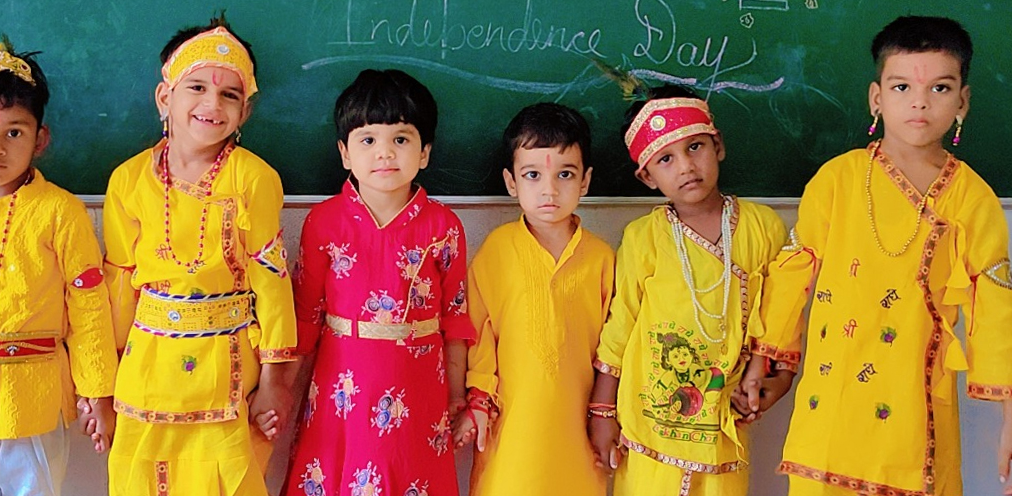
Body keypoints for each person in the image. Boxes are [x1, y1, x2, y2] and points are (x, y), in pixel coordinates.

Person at [743, 15, 1012, 496]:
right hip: (831, 407)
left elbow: (997, 310)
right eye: (902, 86)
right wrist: (767, 362)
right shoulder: (838, 180)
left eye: (940, 88)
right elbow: (791, 274)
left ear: (963, 102)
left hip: (915, 412)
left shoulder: (973, 199)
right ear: (876, 97)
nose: (919, 102)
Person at [103, 17, 297, 496]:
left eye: (229, 94)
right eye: (197, 87)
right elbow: (119, 282)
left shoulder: (253, 178)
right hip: (146, 367)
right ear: (164, 98)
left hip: (226, 366)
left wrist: (275, 380)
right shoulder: (128, 180)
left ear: (244, 112)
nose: (212, 104)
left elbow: (272, 280)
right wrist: (102, 383)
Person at [0, 39, 117, 496]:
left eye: (13, 133)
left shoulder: (59, 212)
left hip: (32, 395)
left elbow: (88, 306)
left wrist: (97, 391)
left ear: (40, 139)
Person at [589, 85, 788, 496]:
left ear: (718, 146)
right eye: (666, 158)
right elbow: (620, 325)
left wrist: (778, 378)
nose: (686, 166)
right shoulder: (644, 238)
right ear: (647, 176)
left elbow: (780, 315)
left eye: (695, 147)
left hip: (722, 419)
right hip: (649, 424)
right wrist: (602, 410)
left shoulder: (761, 228)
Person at [284, 69, 473, 496]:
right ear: (344, 153)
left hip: (420, 391)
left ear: (425, 153)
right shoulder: (323, 222)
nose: (384, 152)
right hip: (343, 390)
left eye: (401, 139)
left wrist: (457, 395)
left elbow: (455, 320)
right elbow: (305, 318)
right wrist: (278, 391)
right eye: (368, 139)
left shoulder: (444, 227)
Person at [454, 102, 613, 495]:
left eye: (565, 174)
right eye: (532, 175)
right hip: (511, 435)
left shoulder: (601, 259)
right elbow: (477, 333)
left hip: (577, 433)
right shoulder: (497, 251)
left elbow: (616, 344)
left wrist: (607, 413)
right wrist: (478, 400)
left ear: (586, 181)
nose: (549, 190)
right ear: (511, 183)